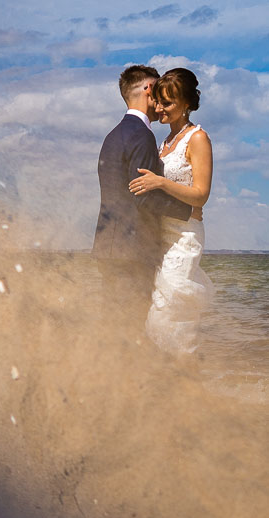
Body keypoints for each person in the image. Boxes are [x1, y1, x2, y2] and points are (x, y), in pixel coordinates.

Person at [92, 65, 192, 329]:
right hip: (132, 251)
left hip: (108, 247)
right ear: (149, 90)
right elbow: (143, 196)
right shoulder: (142, 135)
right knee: (131, 327)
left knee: (115, 327)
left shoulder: (113, 135)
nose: (160, 99)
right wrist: (187, 211)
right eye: (158, 89)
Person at [128, 68, 214, 354]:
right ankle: (172, 386)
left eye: (168, 103)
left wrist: (160, 182)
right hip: (159, 235)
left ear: (187, 104)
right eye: (159, 101)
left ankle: (187, 378)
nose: (159, 108)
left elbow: (200, 196)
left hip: (183, 235)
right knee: (156, 311)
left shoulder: (197, 139)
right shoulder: (164, 142)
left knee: (167, 314)